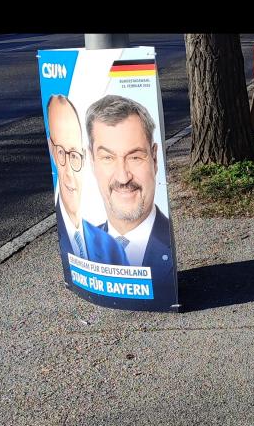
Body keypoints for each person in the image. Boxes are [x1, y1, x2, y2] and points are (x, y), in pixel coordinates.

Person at [85, 93, 174, 299]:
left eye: (134, 157)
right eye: (108, 157)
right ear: (91, 161)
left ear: (154, 158)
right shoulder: (83, 246)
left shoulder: (167, 244)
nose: (123, 177)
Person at [46, 94, 121, 268]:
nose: (69, 173)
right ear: (51, 150)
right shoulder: (65, 234)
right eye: (60, 152)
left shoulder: (110, 246)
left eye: (74, 155)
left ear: (85, 156)